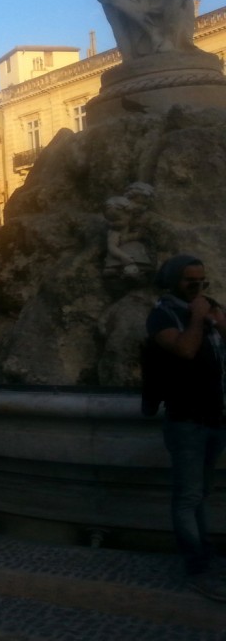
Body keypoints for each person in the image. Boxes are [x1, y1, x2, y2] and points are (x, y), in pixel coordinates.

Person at [146, 254, 226, 601]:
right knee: (187, 497)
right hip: (186, 421)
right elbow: (185, 350)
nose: (198, 287)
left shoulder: (207, 310)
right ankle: (197, 569)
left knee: (201, 495)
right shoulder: (161, 315)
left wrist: (219, 324)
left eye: (202, 281)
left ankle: (204, 555)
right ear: (173, 281)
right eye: (190, 281)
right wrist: (196, 319)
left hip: (214, 419)